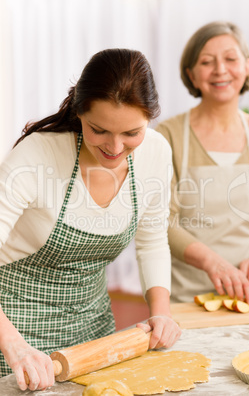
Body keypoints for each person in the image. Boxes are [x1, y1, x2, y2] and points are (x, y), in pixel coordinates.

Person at [0, 48, 181, 391]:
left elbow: (153, 238)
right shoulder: (37, 155)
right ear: (79, 111)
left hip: (93, 335)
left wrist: (162, 311)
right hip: (12, 330)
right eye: (99, 130)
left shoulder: (156, 152)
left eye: (132, 133)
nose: (115, 147)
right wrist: (14, 347)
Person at [156, 21, 249, 304]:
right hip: (187, 296)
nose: (220, 70)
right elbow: (161, 221)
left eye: (230, 59)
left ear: (247, 66)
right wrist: (212, 263)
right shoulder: (166, 136)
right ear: (191, 74)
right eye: (207, 62)